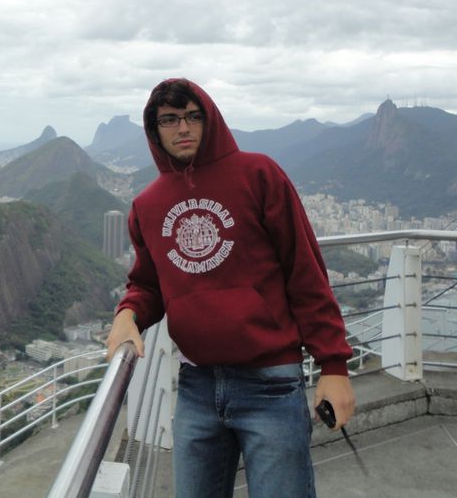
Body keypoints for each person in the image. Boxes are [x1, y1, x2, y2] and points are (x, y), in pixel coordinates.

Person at [105, 78, 354, 498]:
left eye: (192, 116)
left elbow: (305, 274)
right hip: (197, 387)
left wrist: (333, 367)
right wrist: (127, 315)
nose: (182, 128)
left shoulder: (258, 175)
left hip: (271, 384)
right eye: (169, 119)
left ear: (209, 119)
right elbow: (147, 284)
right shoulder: (147, 205)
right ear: (154, 129)